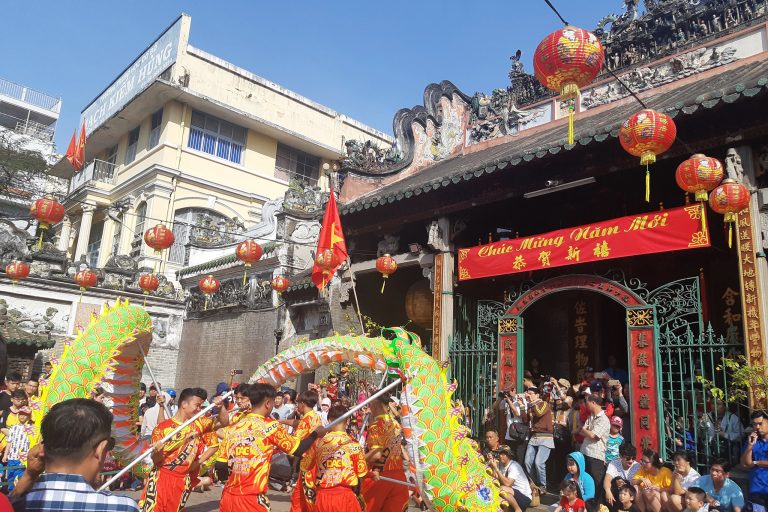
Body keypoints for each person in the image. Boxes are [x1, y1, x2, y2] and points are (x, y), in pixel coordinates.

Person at [10, 398, 139, 511]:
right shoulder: (123, 507)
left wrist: (29, 475)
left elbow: (10, 503)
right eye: (110, 445)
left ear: (42, 449)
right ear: (101, 450)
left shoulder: (16, 505)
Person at [219, 383, 320, 512]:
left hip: (227, 497)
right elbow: (298, 449)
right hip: (251, 499)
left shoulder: (234, 427)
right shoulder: (270, 426)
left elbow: (220, 468)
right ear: (267, 403)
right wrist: (316, 433)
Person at [139, 387, 228, 512]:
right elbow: (156, 460)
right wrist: (158, 451)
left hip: (183, 479)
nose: (199, 409)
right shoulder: (162, 428)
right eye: (197, 405)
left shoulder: (199, 424)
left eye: (201, 406)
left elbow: (223, 423)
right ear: (184, 404)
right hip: (161, 477)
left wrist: (221, 407)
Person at [302, 404, 368, 512]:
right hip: (345, 498)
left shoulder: (318, 442)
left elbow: (305, 466)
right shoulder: (354, 444)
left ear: (329, 420)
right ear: (347, 421)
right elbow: (361, 473)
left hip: (323, 498)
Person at [361, 396, 409, 512]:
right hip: (398, 475)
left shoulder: (376, 426)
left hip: (379, 475)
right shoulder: (395, 424)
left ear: (375, 405)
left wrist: (359, 458)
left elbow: (377, 454)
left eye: (370, 404)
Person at [512, 386, 554, 492]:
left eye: (531, 393)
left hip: (545, 437)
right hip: (534, 437)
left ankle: (543, 485)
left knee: (539, 462)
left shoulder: (544, 404)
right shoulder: (531, 406)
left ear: (537, 395)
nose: (529, 396)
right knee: (527, 461)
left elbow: (539, 413)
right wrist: (522, 406)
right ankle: (534, 483)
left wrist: (532, 403)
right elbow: (525, 420)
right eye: (528, 393)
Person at [287, 390, 323, 512]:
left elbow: (294, 444)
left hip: (307, 464)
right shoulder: (316, 416)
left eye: (298, 403)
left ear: (302, 404)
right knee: (302, 497)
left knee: (304, 499)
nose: (297, 406)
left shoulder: (306, 421)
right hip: (315, 461)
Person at [581, 395, 610, 500]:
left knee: (596, 483)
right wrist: (586, 431)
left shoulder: (604, 419)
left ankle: (598, 505)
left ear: (593, 403)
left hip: (596, 456)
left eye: (587, 403)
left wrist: (585, 430)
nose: (586, 405)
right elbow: (583, 432)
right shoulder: (591, 416)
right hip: (585, 452)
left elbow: (593, 436)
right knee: (585, 481)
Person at [3, 406, 35, 491]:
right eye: (20, 414)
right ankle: (11, 494)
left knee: (20, 476)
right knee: (10, 476)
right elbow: (9, 442)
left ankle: (19, 493)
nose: (22, 416)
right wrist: (5, 455)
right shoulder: (13, 428)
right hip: (11, 457)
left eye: (25, 415)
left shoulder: (31, 429)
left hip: (22, 458)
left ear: (29, 416)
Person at [491, 445, 532, 512]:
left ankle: (517, 509)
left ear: (509, 456)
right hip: (512, 495)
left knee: (502, 489)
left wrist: (496, 469)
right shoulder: (500, 464)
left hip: (524, 498)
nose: (501, 456)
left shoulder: (514, 466)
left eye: (504, 454)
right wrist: (493, 467)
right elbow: (495, 479)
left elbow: (508, 483)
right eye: (500, 454)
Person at [741, 410, 768, 506]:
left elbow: (751, 463)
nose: (757, 427)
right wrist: (750, 446)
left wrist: (756, 463)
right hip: (756, 488)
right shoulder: (752, 441)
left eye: (760, 424)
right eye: (754, 424)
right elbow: (745, 464)